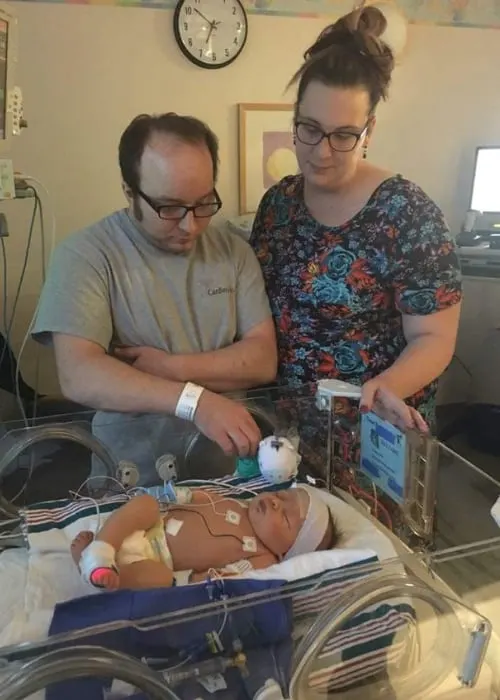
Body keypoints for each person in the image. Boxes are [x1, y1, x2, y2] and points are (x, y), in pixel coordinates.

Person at [250, 6, 462, 440]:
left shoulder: (407, 214)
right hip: (286, 432)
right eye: (309, 128)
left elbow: (434, 338)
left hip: (373, 429)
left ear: (369, 131)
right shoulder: (277, 206)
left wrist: (388, 386)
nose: (322, 151)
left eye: (343, 135)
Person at [32, 113, 278, 485]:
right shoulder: (87, 255)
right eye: (170, 207)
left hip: (228, 477)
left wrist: (173, 368)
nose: (189, 225)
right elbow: (79, 375)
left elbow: (262, 360)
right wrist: (195, 402)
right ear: (130, 191)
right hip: (131, 480)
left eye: (203, 203)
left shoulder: (233, 253)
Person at [70, 485, 338, 590]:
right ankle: (101, 549)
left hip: (156, 562)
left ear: (288, 551)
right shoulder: (238, 504)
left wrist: (192, 582)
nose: (276, 503)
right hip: (147, 526)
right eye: (281, 497)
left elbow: (228, 577)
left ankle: (106, 576)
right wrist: (180, 494)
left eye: (287, 519)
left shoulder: (263, 557)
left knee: (162, 580)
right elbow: (205, 498)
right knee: (146, 503)